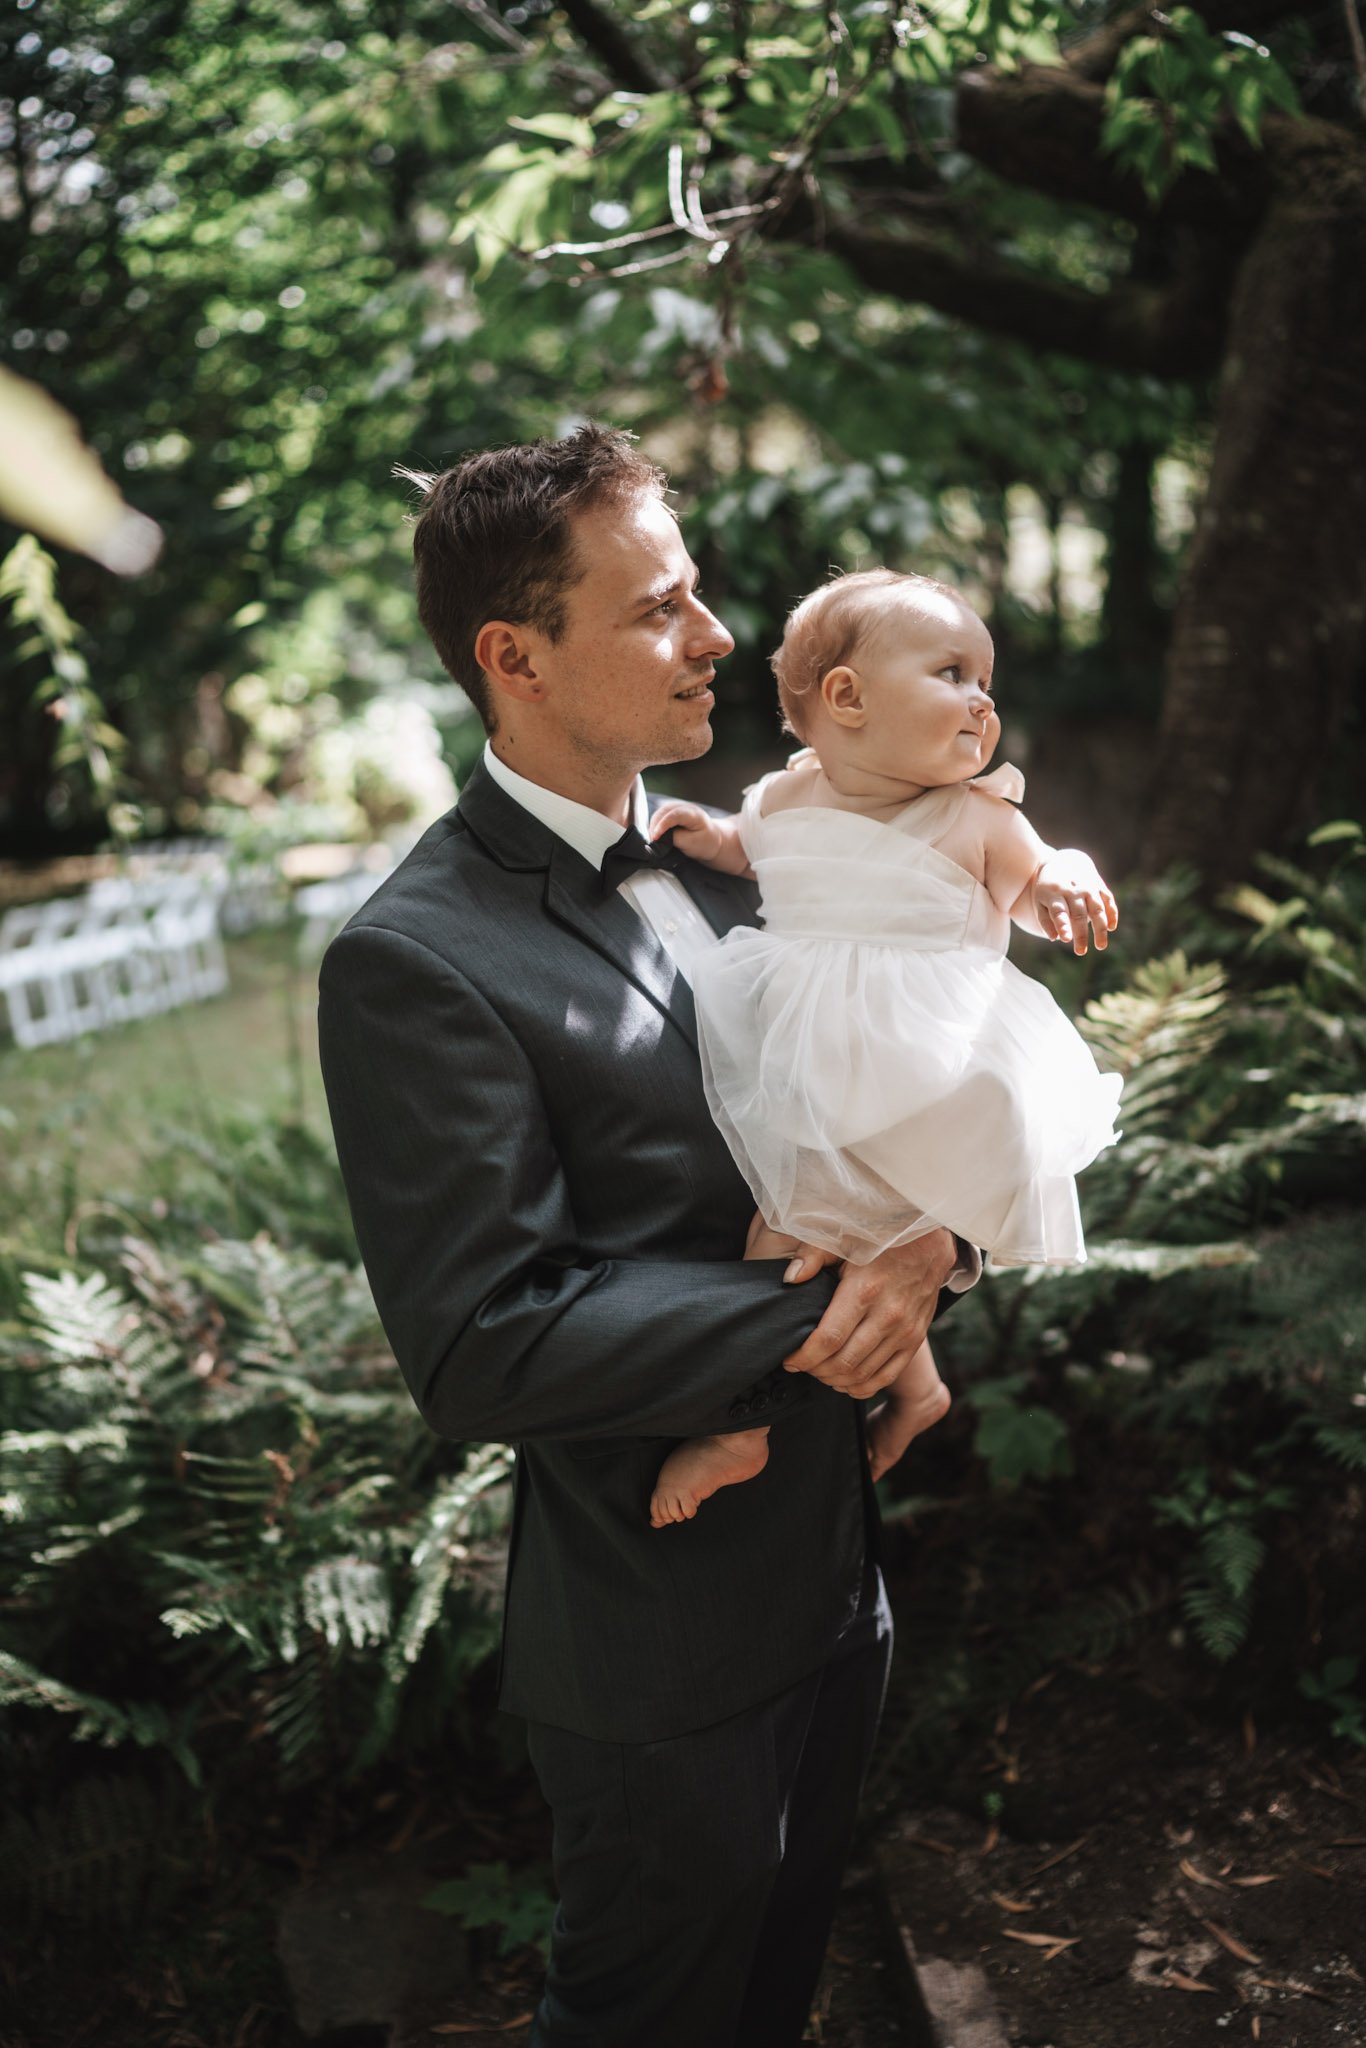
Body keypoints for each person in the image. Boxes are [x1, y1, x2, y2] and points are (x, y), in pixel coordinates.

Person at [316, 427, 976, 2048]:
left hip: (837, 1581)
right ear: (514, 656)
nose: (717, 640)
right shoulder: (417, 959)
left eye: (700, 599)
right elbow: (484, 1336)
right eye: (660, 609)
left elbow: (902, 1078)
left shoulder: (746, 859)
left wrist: (933, 1243)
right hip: (661, 1662)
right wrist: (845, 1291)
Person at [645, 568, 1122, 1529]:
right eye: (953, 671)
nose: (983, 699)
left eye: (987, 680)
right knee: (804, 1226)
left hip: (932, 1067)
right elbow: (754, 845)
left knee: (787, 1239)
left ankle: (743, 1424)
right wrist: (712, 833)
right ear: (847, 698)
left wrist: (1067, 874)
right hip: (817, 1064)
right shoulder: (781, 798)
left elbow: (1034, 883)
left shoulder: (979, 815)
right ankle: (916, 1387)